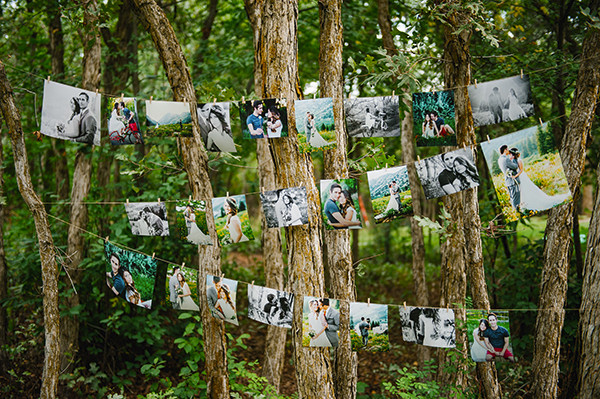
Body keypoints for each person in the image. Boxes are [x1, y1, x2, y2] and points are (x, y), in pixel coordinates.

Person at [498, 145, 521, 212]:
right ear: (505, 150)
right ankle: (517, 212)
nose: (508, 151)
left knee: (512, 197)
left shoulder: (500, 159)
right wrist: (514, 158)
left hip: (508, 181)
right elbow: (515, 167)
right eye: (507, 149)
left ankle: (515, 211)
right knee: (516, 197)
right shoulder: (506, 159)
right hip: (513, 181)